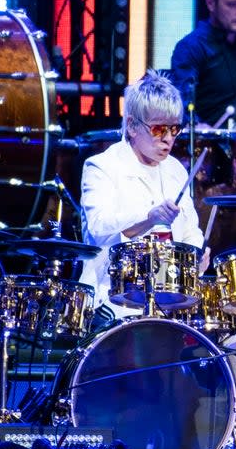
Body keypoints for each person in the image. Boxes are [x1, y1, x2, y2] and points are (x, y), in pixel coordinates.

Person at [80, 71, 209, 320]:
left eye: (174, 129)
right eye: (159, 129)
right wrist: (149, 217)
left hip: (171, 294)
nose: (168, 139)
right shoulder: (102, 166)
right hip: (115, 297)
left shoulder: (175, 170)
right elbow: (99, 226)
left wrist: (195, 256)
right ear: (131, 125)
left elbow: (191, 229)